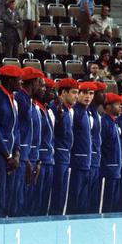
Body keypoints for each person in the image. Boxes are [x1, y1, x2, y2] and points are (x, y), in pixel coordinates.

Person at [0, 65, 22, 218]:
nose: (20, 83)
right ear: (9, 80)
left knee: (8, 200)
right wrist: (8, 155)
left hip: (10, 157)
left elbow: (16, 128)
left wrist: (17, 153)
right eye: (18, 80)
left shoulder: (13, 99)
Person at [10, 67, 44, 217]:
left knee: (24, 200)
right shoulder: (20, 99)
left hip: (27, 155)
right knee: (16, 199)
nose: (41, 88)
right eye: (40, 84)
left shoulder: (28, 100)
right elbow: (17, 129)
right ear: (34, 82)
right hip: (20, 155)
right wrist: (24, 156)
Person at [49, 78, 78, 215]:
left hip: (66, 155)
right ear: (63, 92)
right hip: (57, 155)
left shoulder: (69, 110)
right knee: (56, 193)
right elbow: (52, 133)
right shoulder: (55, 107)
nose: (76, 96)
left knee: (62, 194)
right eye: (74, 92)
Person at [65, 82, 95, 215]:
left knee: (83, 202)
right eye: (84, 92)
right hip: (76, 162)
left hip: (86, 162)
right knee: (74, 200)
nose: (87, 96)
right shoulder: (75, 111)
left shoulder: (87, 113)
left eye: (91, 93)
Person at [31, 77, 56, 216]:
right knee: (35, 200)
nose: (50, 93)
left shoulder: (47, 110)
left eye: (51, 90)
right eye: (47, 89)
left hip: (49, 158)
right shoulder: (35, 107)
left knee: (44, 201)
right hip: (39, 158)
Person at [99, 93, 122, 213]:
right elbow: (100, 145)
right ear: (108, 106)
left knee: (114, 206)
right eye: (117, 104)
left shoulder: (114, 122)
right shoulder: (104, 123)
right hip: (107, 170)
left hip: (115, 170)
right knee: (105, 206)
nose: (120, 107)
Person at [85, 82, 106, 214]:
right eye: (102, 92)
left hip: (95, 160)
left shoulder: (96, 114)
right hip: (88, 159)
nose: (105, 95)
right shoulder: (88, 112)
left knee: (93, 198)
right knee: (85, 198)